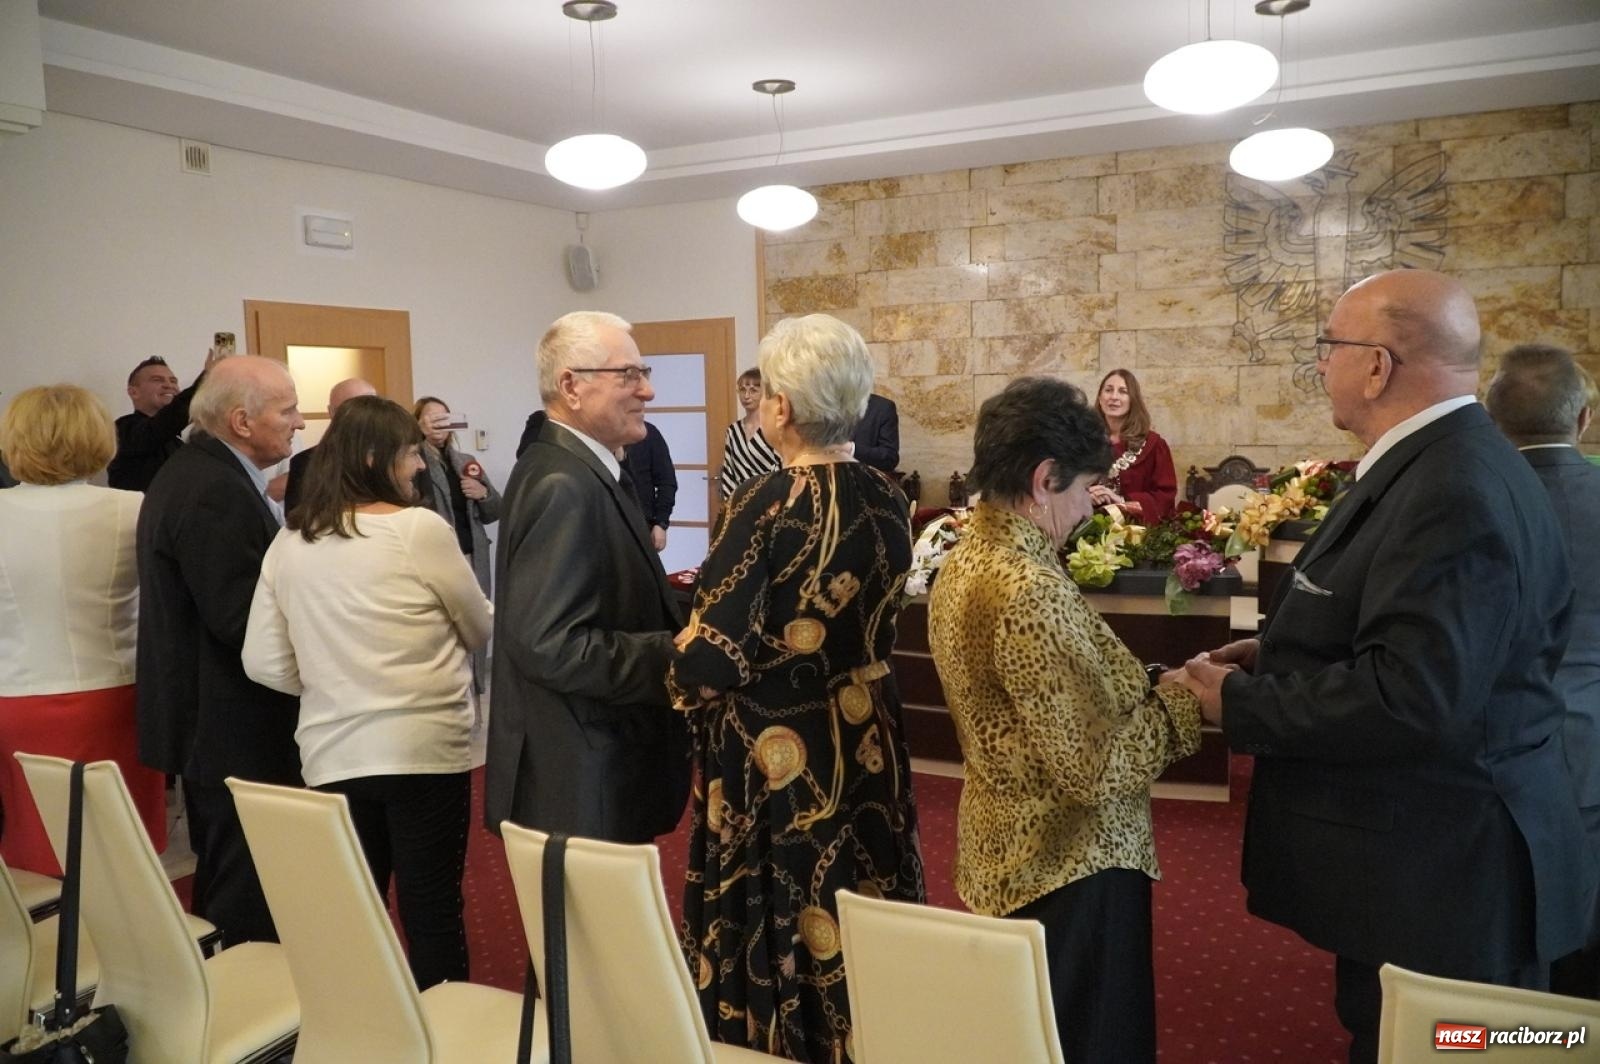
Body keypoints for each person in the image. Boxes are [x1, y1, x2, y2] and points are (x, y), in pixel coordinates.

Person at [1176, 270, 1595, 1062]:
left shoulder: (1453, 485)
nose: (1319, 364)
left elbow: (1413, 695)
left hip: (1451, 880)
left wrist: (1240, 705)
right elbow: (1422, 635)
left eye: (1328, 346)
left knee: (1441, 1048)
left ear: (1376, 366)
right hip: (1424, 866)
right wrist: (1281, 652)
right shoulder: (1436, 460)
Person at [669, 313, 925, 1063]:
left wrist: (675, 671)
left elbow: (713, 657)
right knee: (861, 885)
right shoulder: (888, 496)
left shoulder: (764, 502)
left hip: (781, 751)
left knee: (787, 901)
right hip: (866, 727)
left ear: (780, 406)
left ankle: (780, 1042)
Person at [926, 376, 1200, 1063]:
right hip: (1071, 865)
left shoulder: (968, 559)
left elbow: (1044, 703)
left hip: (1005, 846)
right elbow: (1095, 768)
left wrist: (1156, 681)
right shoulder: (1028, 587)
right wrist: (1191, 702)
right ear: (1045, 479)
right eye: (1083, 488)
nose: (1086, 508)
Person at [243, 396, 490, 990]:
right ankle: (447, 1025)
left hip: (333, 752)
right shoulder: (418, 530)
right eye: (411, 454)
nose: (420, 466)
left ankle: (367, 1024)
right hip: (424, 749)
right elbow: (480, 627)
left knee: (356, 908)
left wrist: (333, 683)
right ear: (377, 458)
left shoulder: (291, 542)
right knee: (431, 907)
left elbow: (263, 662)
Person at [486, 311, 688, 843]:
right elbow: (551, 645)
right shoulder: (562, 482)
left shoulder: (585, 468)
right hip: (580, 781)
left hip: (598, 768)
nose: (647, 390)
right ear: (571, 386)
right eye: (628, 375)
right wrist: (676, 654)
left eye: (643, 372)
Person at [136, 356, 306, 945]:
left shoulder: (203, 472)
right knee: (246, 891)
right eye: (287, 410)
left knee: (229, 875)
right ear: (241, 421)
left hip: (217, 715)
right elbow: (241, 620)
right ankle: (246, 993)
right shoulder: (213, 489)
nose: (299, 422)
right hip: (230, 720)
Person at [0, 385, 167, 874]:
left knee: (35, 855)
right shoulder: (133, 507)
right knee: (121, 855)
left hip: (16, 694)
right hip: (115, 695)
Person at [1485, 342, 1600, 1000]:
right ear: (1583, 418)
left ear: (1491, 418)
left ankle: (1479, 1028)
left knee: (1498, 924)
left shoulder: (1473, 497)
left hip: (1488, 743)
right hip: (1591, 742)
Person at [412, 396, 501, 693]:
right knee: (444, 628)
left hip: (473, 556)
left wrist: (482, 493)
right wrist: (416, 439)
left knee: (476, 624)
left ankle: (475, 692)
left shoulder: (465, 462)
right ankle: (449, 691)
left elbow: (495, 510)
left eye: (445, 418)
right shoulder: (415, 462)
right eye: (431, 419)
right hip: (437, 559)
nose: (440, 425)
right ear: (418, 423)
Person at [108, 351, 216, 491]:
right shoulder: (123, 430)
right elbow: (160, 427)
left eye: (173, 381)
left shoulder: (178, 443)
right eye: (157, 380)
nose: (169, 385)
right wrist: (206, 379)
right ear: (134, 392)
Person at [1089, 368, 1176, 522]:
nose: (1114, 397)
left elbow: (1165, 498)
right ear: (1100, 398)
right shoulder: (1082, 441)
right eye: (1108, 390)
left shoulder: (1154, 446)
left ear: (1133, 400)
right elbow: (1064, 487)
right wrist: (1086, 496)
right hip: (1087, 527)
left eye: (1123, 391)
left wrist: (1122, 501)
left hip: (1137, 530)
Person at [281, 376, 377, 515]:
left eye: (368, 407)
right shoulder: (305, 463)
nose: (360, 417)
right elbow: (296, 519)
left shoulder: (398, 455)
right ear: (331, 412)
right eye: (349, 410)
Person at [719, 367, 780, 499]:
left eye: (753, 390)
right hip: (740, 500)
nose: (746, 396)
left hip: (770, 498)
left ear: (764, 393)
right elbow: (728, 469)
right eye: (742, 390)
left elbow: (781, 466)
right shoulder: (733, 430)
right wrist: (731, 502)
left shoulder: (774, 427)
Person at [623, 420, 677, 552]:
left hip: (642, 522)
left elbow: (667, 481)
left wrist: (661, 523)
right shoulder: (596, 433)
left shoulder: (648, 432)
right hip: (603, 524)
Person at [850, 391, 900, 473]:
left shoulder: (882, 407)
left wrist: (851, 448)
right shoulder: (827, 405)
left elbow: (890, 458)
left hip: (862, 478)